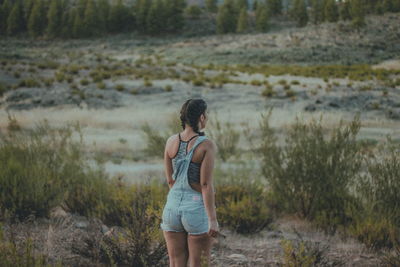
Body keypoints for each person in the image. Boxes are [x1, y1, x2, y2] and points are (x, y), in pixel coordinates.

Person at [160, 98, 220, 267]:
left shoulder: (170, 141)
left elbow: (170, 180)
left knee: (176, 263)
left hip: (171, 209)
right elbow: (205, 185)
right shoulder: (206, 145)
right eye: (206, 114)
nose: (206, 117)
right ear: (201, 117)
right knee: (198, 263)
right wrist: (212, 219)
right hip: (195, 209)